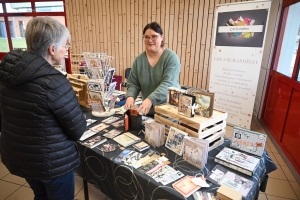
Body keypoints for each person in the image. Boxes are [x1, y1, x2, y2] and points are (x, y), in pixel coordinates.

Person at [0, 17, 87, 200]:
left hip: (20, 157)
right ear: (52, 49)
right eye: (65, 45)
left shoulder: (6, 72)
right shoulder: (55, 83)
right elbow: (77, 130)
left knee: (40, 195)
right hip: (52, 163)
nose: (66, 51)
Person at [124, 22, 181, 116]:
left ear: (162, 37)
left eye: (154, 36)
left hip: (169, 113)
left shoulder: (171, 58)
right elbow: (133, 83)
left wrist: (150, 99)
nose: (150, 40)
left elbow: (168, 84)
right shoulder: (138, 60)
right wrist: (130, 96)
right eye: (146, 37)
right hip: (147, 112)